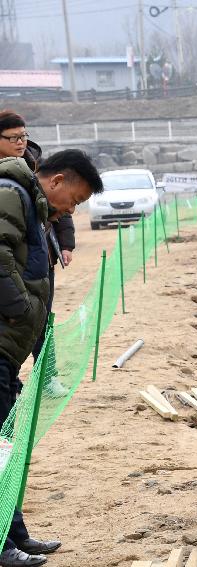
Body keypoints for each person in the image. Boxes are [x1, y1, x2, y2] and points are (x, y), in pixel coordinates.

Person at [0, 149, 103, 567]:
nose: (71, 210)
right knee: (1, 450)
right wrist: (24, 309)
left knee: (6, 447)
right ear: (57, 181)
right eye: (75, 201)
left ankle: (14, 535)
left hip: (8, 349)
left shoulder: (34, 204)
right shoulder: (11, 194)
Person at [0, 112, 75, 397]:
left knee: (41, 319)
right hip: (11, 262)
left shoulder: (36, 165)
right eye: (14, 137)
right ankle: (12, 382)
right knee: (14, 320)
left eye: (24, 135)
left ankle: (47, 376)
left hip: (41, 255)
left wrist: (66, 244)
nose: (21, 142)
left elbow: (61, 207)